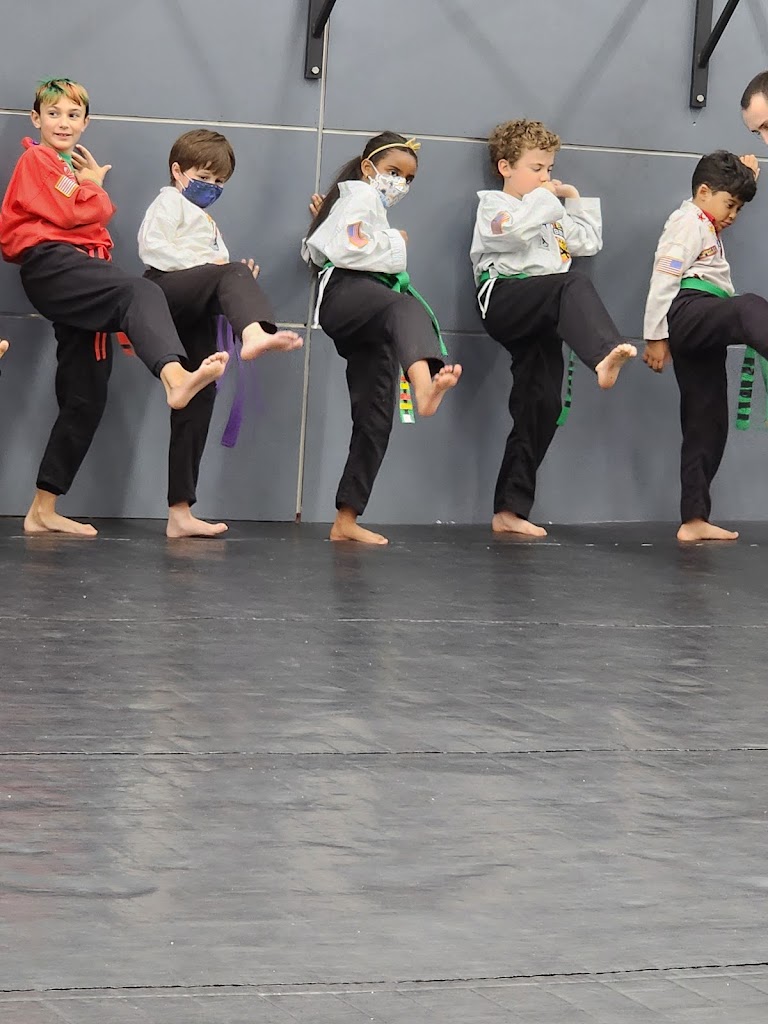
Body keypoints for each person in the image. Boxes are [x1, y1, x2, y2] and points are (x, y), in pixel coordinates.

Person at [0, 78, 228, 537]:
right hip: (53, 264)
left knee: (86, 395)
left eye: (73, 115)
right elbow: (74, 213)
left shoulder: (65, 168)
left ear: (85, 123)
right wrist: (95, 188)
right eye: (53, 114)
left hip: (81, 272)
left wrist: (84, 184)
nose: (63, 123)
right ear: (36, 119)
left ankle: (42, 509)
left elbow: (74, 209)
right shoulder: (38, 159)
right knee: (141, 292)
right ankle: (175, 377)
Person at [470, 119, 636, 538]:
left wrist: (573, 199)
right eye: (536, 168)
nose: (546, 176)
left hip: (542, 313)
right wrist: (546, 199)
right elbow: (509, 235)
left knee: (541, 405)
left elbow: (587, 242)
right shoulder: (494, 205)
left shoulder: (548, 212)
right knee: (571, 283)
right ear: (505, 167)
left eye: (549, 168)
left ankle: (509, 510)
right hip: (504, 299)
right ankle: (602, 355)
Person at [138, 128, 303, 538]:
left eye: (219, 181)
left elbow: (216, 272)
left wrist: (230, 281)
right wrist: (216, 271)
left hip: (195, 304)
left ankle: (180, 514)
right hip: (162, 289)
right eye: (203, 177)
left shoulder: (205, 220)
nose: (211, 186)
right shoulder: (168, 202)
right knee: (232, 272)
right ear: (177, 171)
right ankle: (255, 334)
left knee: (200, 395)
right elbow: (152, 248)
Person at [302, 131, 461, 545]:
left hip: (368, 310)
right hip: (348, 296)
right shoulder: (360, 195)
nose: (400, 183)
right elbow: (348, 250)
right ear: (368, 168)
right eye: (393, 172)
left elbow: (334, 242)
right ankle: (424, 389)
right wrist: (395, 241)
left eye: (409, 178)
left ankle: (346, 519)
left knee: (375, 416)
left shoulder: (363, 203)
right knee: (403, 308)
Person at [642, 150, 759, 542]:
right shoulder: (687, 222)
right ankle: (694, 517)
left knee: (707, 421)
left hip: (704, 325)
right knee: (748, 308)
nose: (733, 215)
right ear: (703, 192)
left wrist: (748, 176)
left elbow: (726, 187)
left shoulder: (706, 220)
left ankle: (693, 519)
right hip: (690, 310)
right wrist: (655, 336)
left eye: (739, 208)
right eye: (730, 205)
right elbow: (663, 278)